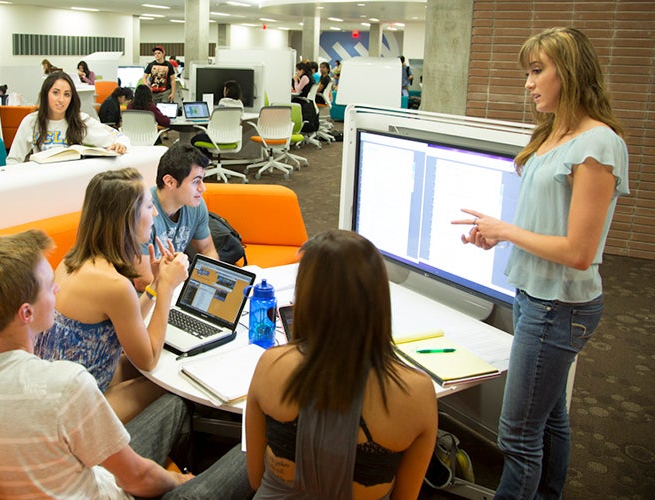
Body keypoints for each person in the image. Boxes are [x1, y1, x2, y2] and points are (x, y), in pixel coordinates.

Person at [0, 229, 253, 499]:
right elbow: (138, 479)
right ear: (26, 313)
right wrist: (180, 481)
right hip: (110, 488)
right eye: (48, 287)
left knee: (176, 402)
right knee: (250, 447)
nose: (57, 292)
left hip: (88, 474)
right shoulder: (63, 385)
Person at [452, 27, 629, 499]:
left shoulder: (599, 143)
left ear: (568, 73)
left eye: (537, 71)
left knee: (517, 436)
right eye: (527, 73)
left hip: (560, 305)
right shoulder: (556, 132)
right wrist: (497, 234)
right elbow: (547, 222)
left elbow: (578, 251)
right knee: (549, 419)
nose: (529, 83)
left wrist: (507, 231)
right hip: (535, 295)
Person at [245, 229, 438, 498]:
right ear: (379, 297)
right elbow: (405, 496)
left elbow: (256, 479)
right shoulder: (416, 392)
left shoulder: (271, 365)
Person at [34, 168, 188, 422]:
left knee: (149, 369)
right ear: (127, 218)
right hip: (73, 412)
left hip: (56, 389)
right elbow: (148, 358)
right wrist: (166, 289)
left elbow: (120, 324)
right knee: (174, 382)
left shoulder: (70, 261)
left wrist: (155, 285)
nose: (155, 214)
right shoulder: (114, 285)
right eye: (149, 207)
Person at [134, 144, 218, 291]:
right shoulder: (142, 212)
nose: (202, 188)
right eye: (196, 181)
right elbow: (142, 281)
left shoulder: (195, 205)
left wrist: (207, 286)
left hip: (172, 286)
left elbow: (207, 250)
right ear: (170, 182)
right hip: (141, 297)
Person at [7, 71, 130, 164]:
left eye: (67, 94)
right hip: (41, 184)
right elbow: (13, 160)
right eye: (55, 93)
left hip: (71, 183)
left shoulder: (80, 120)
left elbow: (119, 137)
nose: (61, 100)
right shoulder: (31, 122)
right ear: (46, 94)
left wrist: (120, 144)